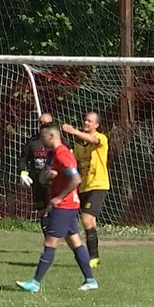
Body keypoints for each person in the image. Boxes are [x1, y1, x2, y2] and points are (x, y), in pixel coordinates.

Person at [16, 122, 99, 293]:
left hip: (64, 206)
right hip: (69, 205)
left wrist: (59, 198)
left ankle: (35, 283)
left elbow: (76, 179)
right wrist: (52, 175)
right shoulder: (55, 155)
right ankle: (90, 280)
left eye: (44, 136)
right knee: (75, 242)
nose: (41, 139)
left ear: (52, 136)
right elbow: (64, 175)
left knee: (50, 243)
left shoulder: (62, 154)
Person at [62, 112, 109, 268]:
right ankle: (93, 256)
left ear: (96, 125)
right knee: (90, 222)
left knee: (87, 219)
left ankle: (93, 258)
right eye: (85, 120)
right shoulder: (80, 145)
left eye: (90, 121)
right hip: (84, 186)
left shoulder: (101, 138)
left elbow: (93, 140)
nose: (86, 123)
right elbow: (73, 163)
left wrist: (73, 131)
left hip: (98, 185)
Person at [17, 112, 53, 235]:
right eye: (41, 123)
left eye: (47, 123)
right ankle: (48, 238)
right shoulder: (32, 141)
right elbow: (23, 158)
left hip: (52, 184)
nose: (43, 125)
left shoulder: (57, 142)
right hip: (37, 182)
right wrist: (23, 172)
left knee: (51, 210)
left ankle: (55, 237)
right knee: (41, 212)